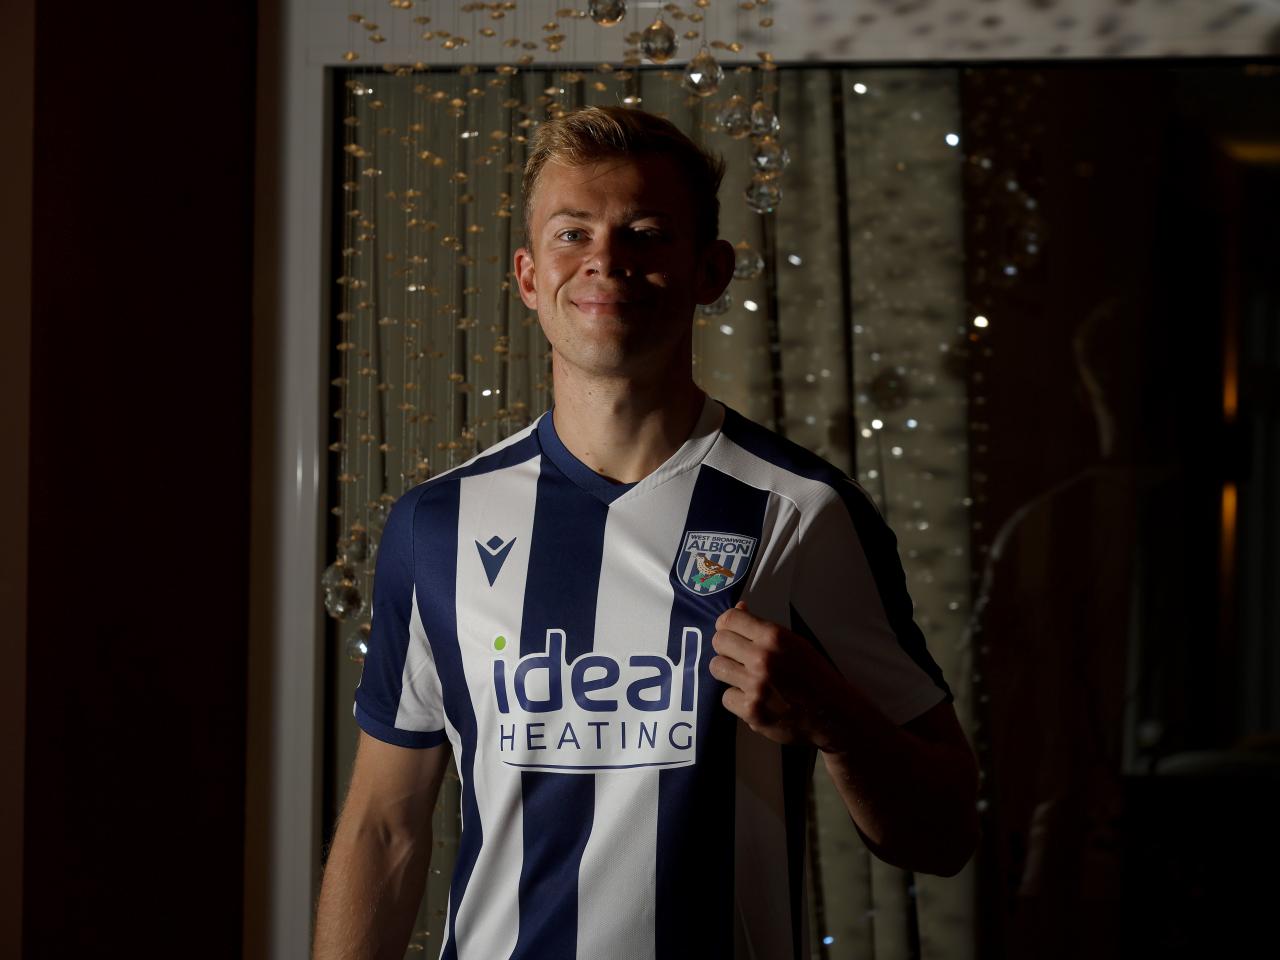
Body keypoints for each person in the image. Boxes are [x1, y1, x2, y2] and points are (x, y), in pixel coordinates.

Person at [313, 105, 978, 960]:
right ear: (528, 276)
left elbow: (944, 835)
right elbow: (384, 827)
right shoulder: (437, 524)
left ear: (711, 270)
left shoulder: (803, 512)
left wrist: (836, 720)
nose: (606, 259)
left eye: (646, 233)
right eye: (573, 233)